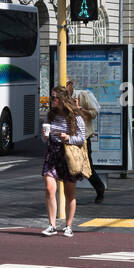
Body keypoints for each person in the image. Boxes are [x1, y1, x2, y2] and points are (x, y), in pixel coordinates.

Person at [41, 86, 86, 237]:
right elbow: (44, 138)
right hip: (52, 153)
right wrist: (45, 137)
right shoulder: (50, 115)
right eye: (51, 98)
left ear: (61, 100)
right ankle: (52, 225)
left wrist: (68, 138)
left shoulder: (75, 116)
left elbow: (81, 138)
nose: (52, 101)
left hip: (68, 154)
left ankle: (68, 225)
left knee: (69, 193)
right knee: (49, 188)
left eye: (54, 98)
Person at [67, 79, 108, 203]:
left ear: (70, 85)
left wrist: (79, 109)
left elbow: (94, 113)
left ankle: (99, 187)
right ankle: (67, 197)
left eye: (66, 85)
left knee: (86, 165)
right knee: (69, 164)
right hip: (69, 137)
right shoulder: (62, 99)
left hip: (84, 136)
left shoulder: (82, 95)